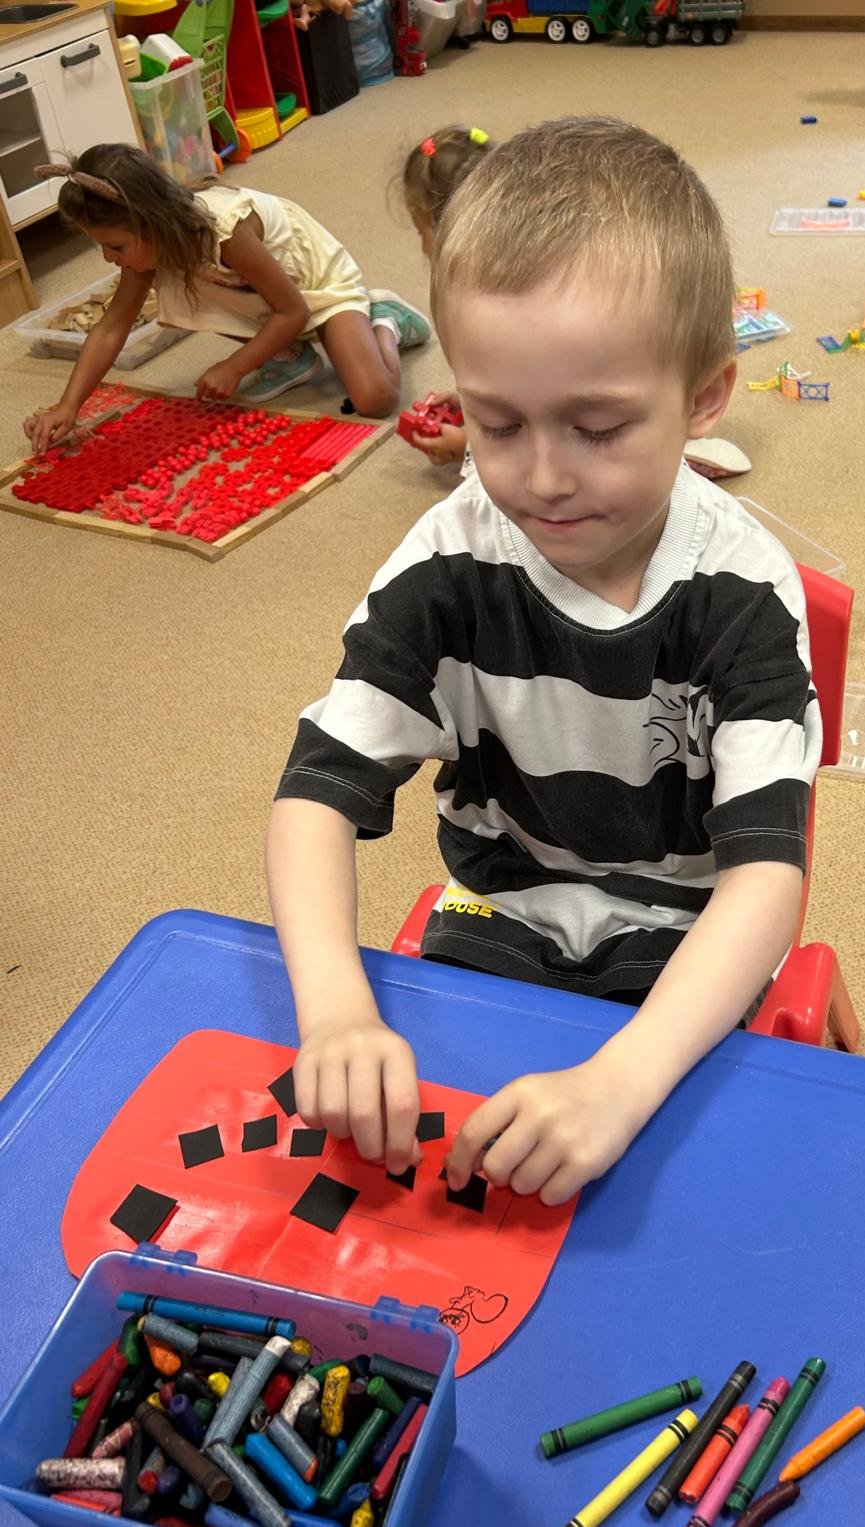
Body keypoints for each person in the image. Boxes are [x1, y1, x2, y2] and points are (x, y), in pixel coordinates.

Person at [266, 116, 821, 1207]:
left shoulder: (743, 593)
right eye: (497, 423)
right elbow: (316, 793)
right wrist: (332, 1012)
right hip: (499, 923)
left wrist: (622, 1081)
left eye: (598, 428)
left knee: (702, 1212)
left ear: (706, 396)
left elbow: (766, 876)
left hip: (682, 955)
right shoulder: (447, 566)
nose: (545, 479)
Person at [22, 145, 430, 454]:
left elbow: (294, 310)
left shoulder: (226, 228)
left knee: (374, 399)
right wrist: (68, 406)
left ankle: (384, 321)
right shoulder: (149, 245)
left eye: (115, 246)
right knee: (181, 293)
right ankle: (289, 356)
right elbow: (111, 329)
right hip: (262, 297)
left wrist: (234, 366)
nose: (109, 258)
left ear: (151, 222)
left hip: (317, 287)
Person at [395, 124, 494, 468]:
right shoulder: (488, 290)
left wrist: (468, 447)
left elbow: (547, 414)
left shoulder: (495, 315)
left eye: (423, 230)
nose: (423, 246)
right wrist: (474, 402)